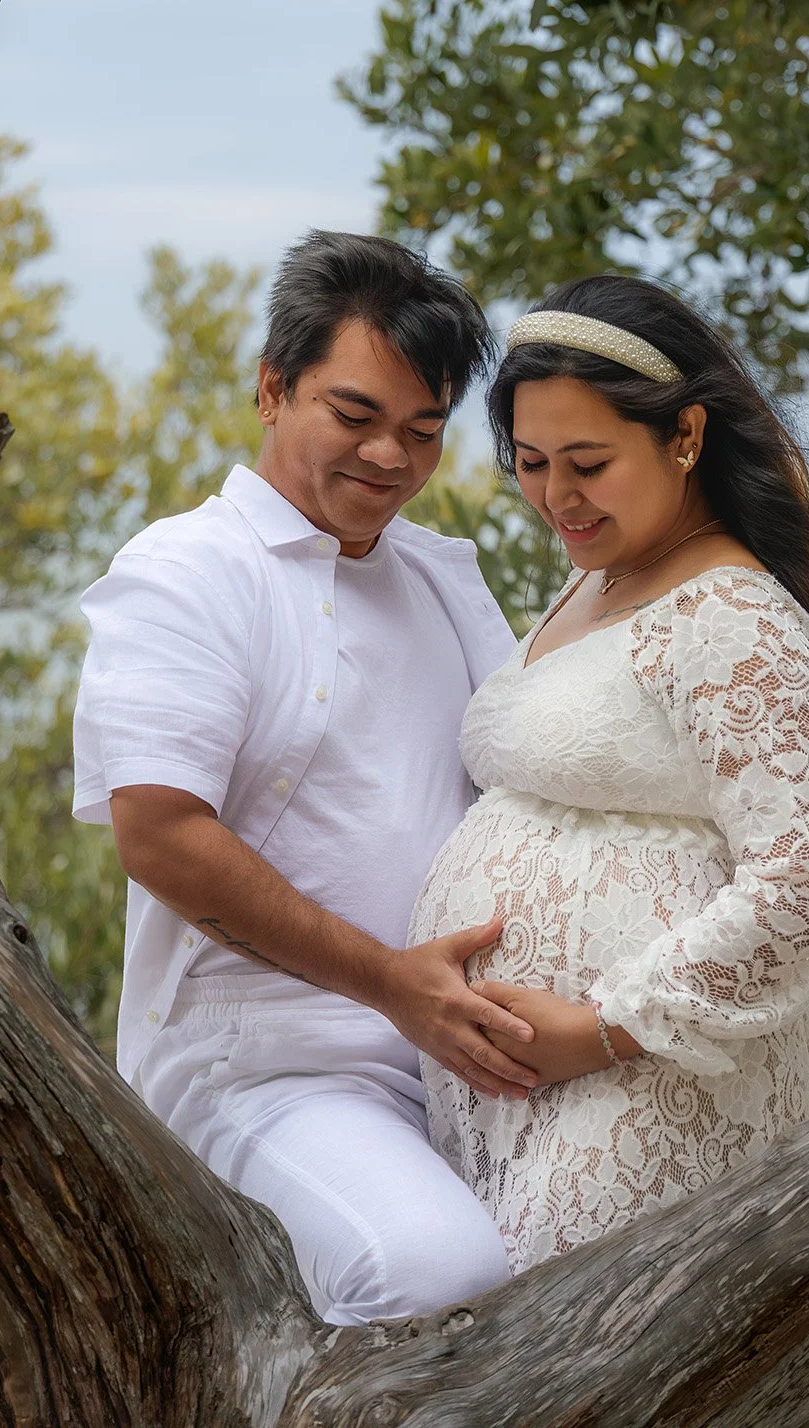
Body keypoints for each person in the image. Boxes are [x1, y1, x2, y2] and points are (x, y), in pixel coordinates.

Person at [70, 231, 531, 1323]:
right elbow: (160, 834)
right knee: (429, 1275)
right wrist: (391, 985)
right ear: (272, 389)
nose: (390, 459)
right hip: (265, 1068)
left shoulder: (441, 575)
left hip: (465, 1056)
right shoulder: (186, 569)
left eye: (423, 432)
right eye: (355, 415)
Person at [408, 274, 809, 1271]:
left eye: (588, 462)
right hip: (527, 1091)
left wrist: (601, 1029)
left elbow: (803, 889)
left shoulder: (734, 619)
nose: (555, 497)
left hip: (648, 1089)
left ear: (683, 437)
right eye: (532, 463)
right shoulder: (598, 577)